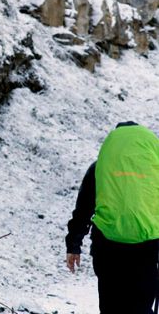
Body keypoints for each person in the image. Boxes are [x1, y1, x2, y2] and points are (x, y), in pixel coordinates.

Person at [65, 121, 159, 314]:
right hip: (147, 250)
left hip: (107, 249)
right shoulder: (154, 169)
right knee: (141, 307)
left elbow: (83, 209)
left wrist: (73, 244)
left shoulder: (101, 168)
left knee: (111, 306)